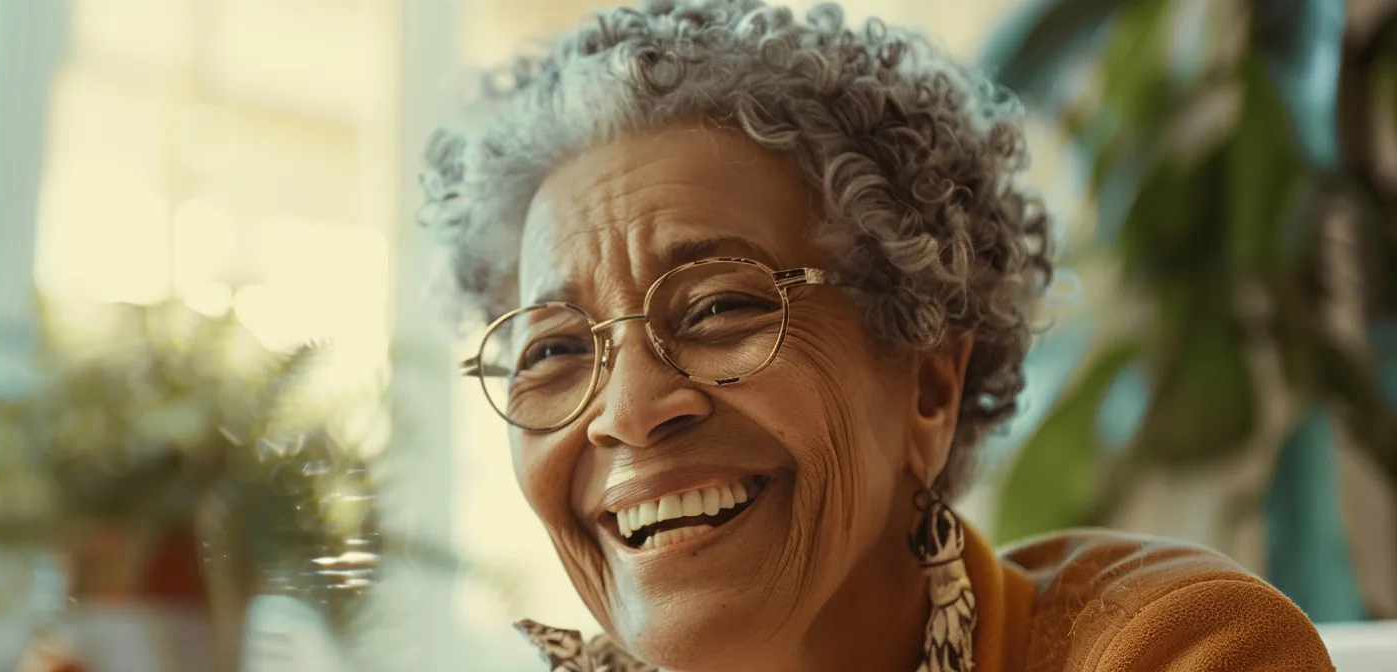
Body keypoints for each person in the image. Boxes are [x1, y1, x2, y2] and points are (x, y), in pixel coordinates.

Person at [418, 1, 1334, 669]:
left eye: (720, 309)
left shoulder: (1173, 649)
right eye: (554, 350)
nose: (628, 412)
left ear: (930, 383)